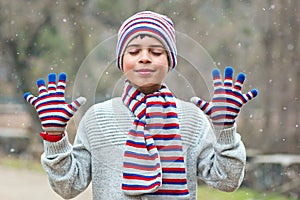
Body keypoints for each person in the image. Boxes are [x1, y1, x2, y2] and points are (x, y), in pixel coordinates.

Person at [24, 11, 258, 200]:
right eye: (134, 51)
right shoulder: (97, 119)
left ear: (170, 61)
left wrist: (226, 131)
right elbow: (68, 187)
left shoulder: (192, 119)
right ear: (121, 61)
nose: (144, 57)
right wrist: (55, 138)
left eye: (156, 52)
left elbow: (227, 181)